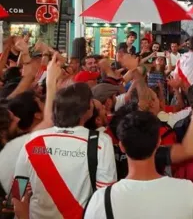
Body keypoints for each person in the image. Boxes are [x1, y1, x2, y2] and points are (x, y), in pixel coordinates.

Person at [14, 82, 117, 219]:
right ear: (87, 109)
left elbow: (18, 192)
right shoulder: (101, 141)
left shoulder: (33, 140)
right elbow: (105, 196)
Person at [84, 111, 193, 218]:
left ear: (121, 147)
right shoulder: (187, 191)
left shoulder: (101, 200)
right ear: (158, 142)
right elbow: (188, 149)